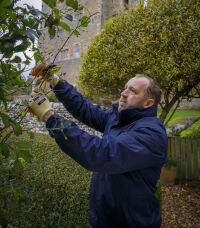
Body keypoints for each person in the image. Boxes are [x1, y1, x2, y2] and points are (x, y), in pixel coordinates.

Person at [28, 66, 168, 228]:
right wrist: (55, 81)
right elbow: (85, 109)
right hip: (106, 220)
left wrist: (49, 117)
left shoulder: (151, 135)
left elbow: (102, 153)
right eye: (125, 88)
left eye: (133, 91)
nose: (123, 93)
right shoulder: (119, 119)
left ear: (148, 103)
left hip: (131, 223)